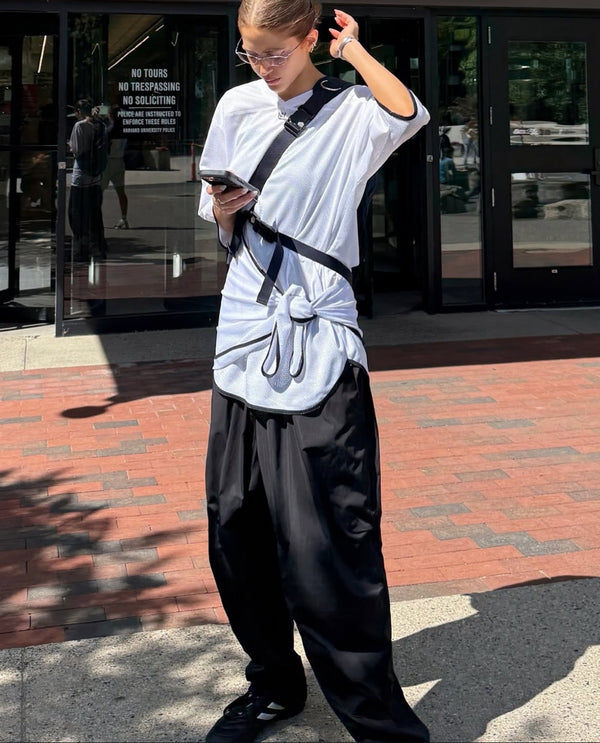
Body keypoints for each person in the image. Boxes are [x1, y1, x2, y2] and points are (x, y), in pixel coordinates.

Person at [197, 3, 430, 743]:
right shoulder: (237, 105)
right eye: (250, 53)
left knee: (329, 539)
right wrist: (225, 208)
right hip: (243, 339)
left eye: (275, 52)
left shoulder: (352, 111)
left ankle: (377, 721)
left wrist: (354, 51)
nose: (262, 67)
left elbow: (410, 112)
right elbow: (217, 218)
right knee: (235, 527)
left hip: (320, 347)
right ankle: (273, 682)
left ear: (308, 40)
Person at [68, 99, 108, 260]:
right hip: (95, 177)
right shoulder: (99, 125)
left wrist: (70, 145)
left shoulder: (79, 126)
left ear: (78, 111)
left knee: (76, 215)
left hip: (81, 176)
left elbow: (77, 150)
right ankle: (97, 247)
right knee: (95, 216)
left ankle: (81, 249)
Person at [102, 104, 129, 229]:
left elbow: (104, 147)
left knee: (99, 191)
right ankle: (124, 217)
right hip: (119, 160)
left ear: (110, 115)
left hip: (108, 161)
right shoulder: (123, 129)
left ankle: (96, 217)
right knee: (121, 192)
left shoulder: (109, 130)